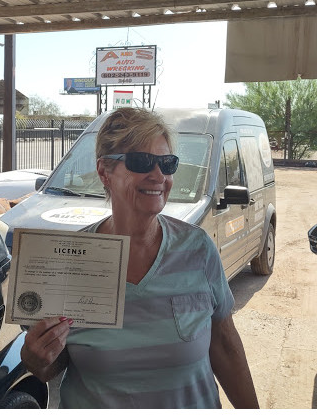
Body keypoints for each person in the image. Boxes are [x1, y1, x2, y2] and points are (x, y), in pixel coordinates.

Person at [20, 107, 260, 409]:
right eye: (141, 161)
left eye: (167, 163)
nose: (158, 175)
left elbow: (224, 346)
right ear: (104, 171)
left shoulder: (197, 248)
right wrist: (36, 357)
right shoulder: (71, 259)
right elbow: (55, 364)